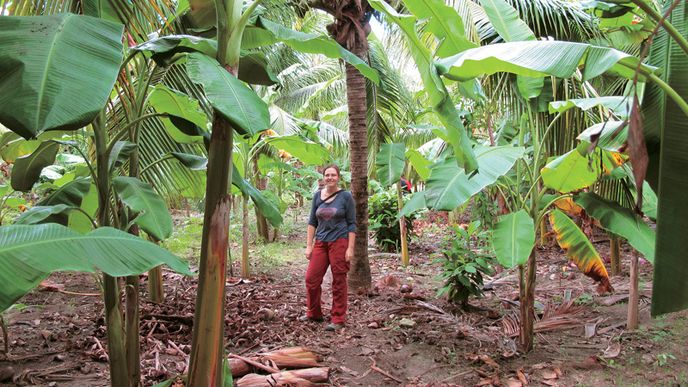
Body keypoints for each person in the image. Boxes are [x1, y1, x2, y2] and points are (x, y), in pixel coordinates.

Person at [302, 165, 356, 331]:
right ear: (323, 177)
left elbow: (352, 224)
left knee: (339, 280)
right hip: (321, 242)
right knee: (311, 279)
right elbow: (312, 222)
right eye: (327, 175)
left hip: (339, 241)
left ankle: (338, 318)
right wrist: (309, 245)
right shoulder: (317, 196)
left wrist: (350, 249)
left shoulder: (346, 197)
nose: (330, 177)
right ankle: (314, 313)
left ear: (338, 177)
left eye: (333, 175)